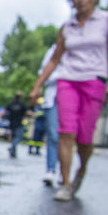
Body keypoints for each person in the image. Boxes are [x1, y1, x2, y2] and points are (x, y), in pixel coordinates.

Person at [31, 0, 108, 201]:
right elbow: (55, 59)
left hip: (94, 80)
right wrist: (37, 85)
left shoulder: (107, 20)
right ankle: (66, 182)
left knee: (84, 137)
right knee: (66, 131)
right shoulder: (67, 27)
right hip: (68, 80)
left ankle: (81, 168)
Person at [33, 44, 61, 185]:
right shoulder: (53, 51)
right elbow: (44, 74)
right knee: (53, 135)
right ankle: (51, 169)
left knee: (67, 136)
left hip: (75, 95)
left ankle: (64, 171)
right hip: (54, 95)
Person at [1, 92, 30, 158]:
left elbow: (4, 111)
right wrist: (35, 115)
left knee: (14, 138)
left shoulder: (11, 104)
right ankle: (12, 147)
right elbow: (27, 111)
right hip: (19, 123)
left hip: (12, 124)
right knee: (19, 137)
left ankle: (13, 153)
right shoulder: (21, 104)